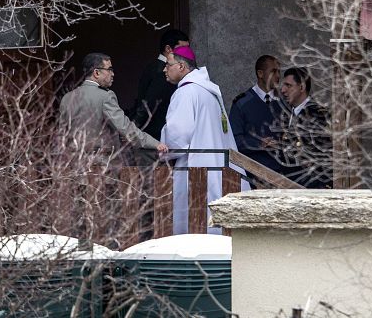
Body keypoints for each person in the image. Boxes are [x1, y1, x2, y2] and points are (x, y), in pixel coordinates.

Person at [161, 46, 249, 234]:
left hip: (196, 168)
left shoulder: (186, 92)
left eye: (168, 65)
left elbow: (177, 137)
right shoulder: (210, 91)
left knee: (197, 224)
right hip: (219, 166)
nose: (164, 69)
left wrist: (162, 145)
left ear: (181, 66)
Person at [59, 52, 169, 164]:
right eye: (109, 69)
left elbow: (62, 135)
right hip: (101, 163)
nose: (113, 74)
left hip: (73, 164)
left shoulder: (67, 98)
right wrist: (155, 144)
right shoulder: (105, 96)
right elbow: (125, 128)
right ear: (96, 73)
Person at [132, 29, 190, 157]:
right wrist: (134, 130)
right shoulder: (161, 71)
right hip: (155, 139)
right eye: (182, 48)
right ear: (168, 49)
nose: (186, 52)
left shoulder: (155, 67)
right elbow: (148, 104)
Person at [229, 55, 285, 183]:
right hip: (251, 176)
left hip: (281, 176)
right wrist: (259, 143)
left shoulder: (284, 102)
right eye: (273, 71)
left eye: (279, 71)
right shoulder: (242, 103)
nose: (278, 76)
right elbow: (234, 140)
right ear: (260, 73)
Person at [278, 67, 332, 188]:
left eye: (288, 85)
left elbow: (319, 154)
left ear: (302, 87)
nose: (283, 90)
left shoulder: (317, 114)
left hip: (311, 186)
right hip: (290, 184)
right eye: (283, 85)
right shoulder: (286, 114)